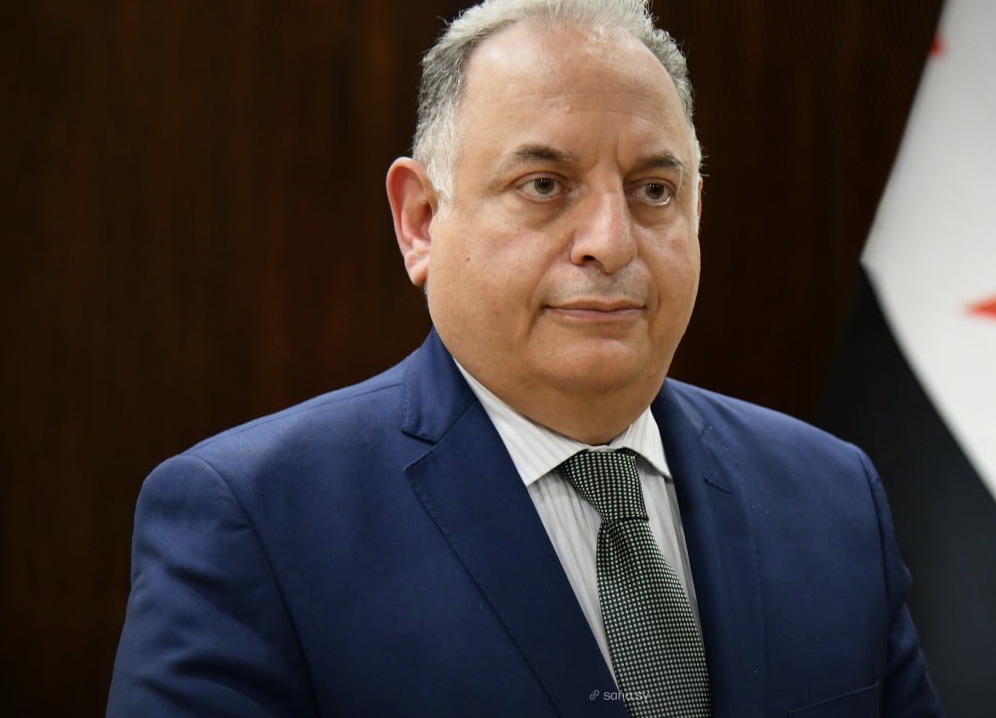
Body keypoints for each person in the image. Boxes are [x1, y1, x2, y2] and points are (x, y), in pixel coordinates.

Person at [106, 0, 944, 716]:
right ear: (420, 221)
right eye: (544, 184)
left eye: (654, 190)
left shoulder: (833, 497)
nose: (611, 242)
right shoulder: (253, 521)